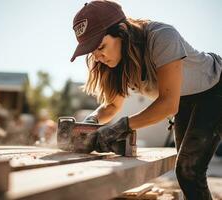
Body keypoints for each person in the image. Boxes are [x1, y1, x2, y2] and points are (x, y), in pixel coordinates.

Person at [70, 1, 222, 199]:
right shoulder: (114, 61)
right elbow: (112, 105)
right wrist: (89, 123)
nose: (97, 56)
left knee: (189, 170)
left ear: (122, 31)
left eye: (100, 46)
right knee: (187, 173)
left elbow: (168, 104)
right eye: (92, 51)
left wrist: (120, 127)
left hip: (215, 88)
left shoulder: (162, 36)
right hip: (184, 98)